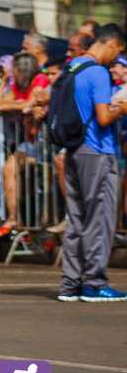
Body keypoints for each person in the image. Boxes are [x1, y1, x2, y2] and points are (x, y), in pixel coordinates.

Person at [59, 24, 127, 302]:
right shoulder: (97, 71)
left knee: (76, 219)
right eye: (119, 51)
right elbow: (103, 117)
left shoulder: (72, 67)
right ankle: (94, 283)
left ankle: (70, 283)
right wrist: (121, 108)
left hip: (73, 148)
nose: (116, 59)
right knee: (99, 218)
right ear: (111, 43)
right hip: (98, 150)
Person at [0, 53, 49, 238]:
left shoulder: (40, 78)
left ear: (21, 68)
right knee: (9, 168)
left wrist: (21, 104)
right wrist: (5, 83)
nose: (11, 71)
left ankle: (46, 229)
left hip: (48, 143)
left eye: (13, 68)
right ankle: (13, 218)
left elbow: (33, 102)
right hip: (30, 143)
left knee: (46, 187)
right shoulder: (16, 84)